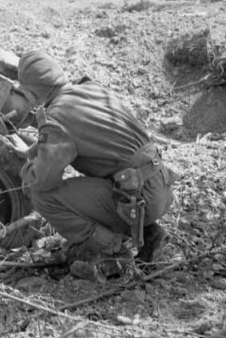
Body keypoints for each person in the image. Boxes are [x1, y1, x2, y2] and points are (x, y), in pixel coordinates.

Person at [16, 50, 178, 280]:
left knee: (43, 198)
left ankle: (114, 255)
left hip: (140, 197)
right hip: (160, 184)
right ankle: (149, 233)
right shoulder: (91, 89)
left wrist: (26, 168)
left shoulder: (56, 117)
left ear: (32, 93)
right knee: (104, 176)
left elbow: (43, 180)